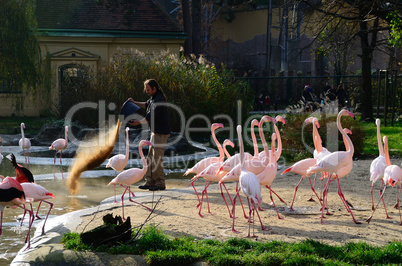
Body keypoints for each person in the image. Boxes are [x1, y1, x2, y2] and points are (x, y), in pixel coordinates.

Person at [128, 79, 171, 191]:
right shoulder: (153, 98)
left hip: (161, 133)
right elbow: (146, 104)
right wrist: (134, 102)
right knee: (150, 158)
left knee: (156, 159)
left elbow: (149, 117)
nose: (146, 91)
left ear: (154, 89)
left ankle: (160, 183)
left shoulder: (159, 100)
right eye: (146, 90)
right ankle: (150, 182)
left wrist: (138, 122)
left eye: (148, 90)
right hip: (155, 132)